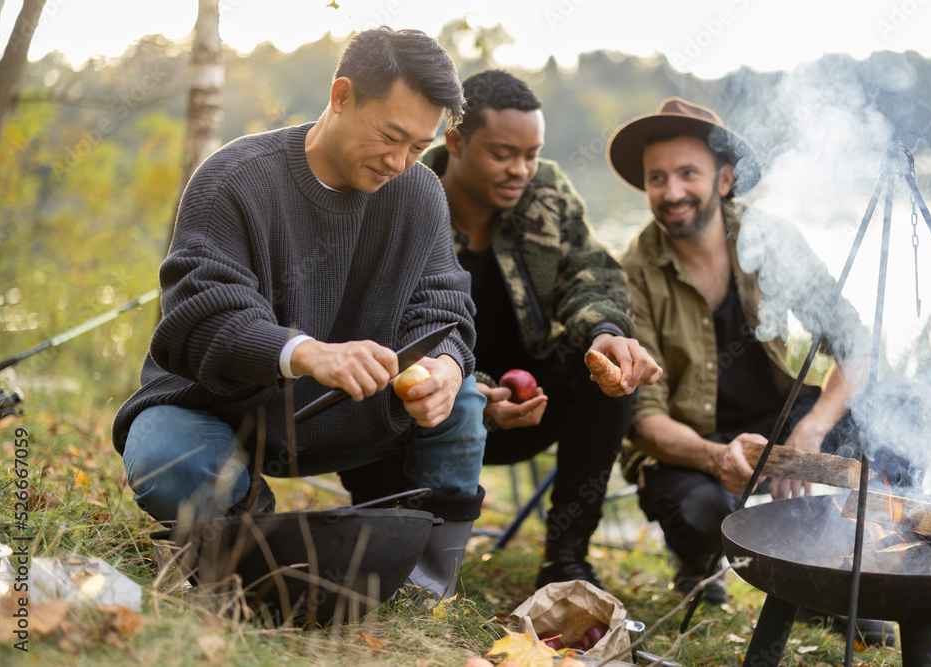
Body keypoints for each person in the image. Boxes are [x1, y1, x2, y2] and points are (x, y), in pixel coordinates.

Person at [111, 27, 488, 599]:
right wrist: (306, 353)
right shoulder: (235, 179)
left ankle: (419, 585)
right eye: (391, 136)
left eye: (418, 146)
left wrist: (446, 365)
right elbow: (196, 318)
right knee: (166, 454)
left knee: (460, 399)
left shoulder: (419, 192)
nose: (400, 160)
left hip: (360, 416)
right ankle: (259, 546)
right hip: (225, 412)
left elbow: (446, 305)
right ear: (341, 95)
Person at [608, 98, 916, 645]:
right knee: (702, 512)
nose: (672, 192)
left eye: (687, 174)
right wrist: (717, 457)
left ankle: (830, 578)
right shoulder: (632, 270)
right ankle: (696, 566)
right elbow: (644, 420)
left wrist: (811, 431)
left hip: (782, 417)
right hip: (692, 439)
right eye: (658, 178)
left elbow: (855, 342)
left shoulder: (769, 238)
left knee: (895, 436)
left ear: (725, 179)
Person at [423, 69, 663, 589]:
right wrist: (473, 390)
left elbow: (591, 270)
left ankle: (567, 559)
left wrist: (604, 330)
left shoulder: (547, 190)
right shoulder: (408, 201)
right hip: (436, 405)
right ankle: (411, 548)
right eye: (503, 154)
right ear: (456, 140)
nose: (521, 170)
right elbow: (392, 328)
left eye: (531, 154)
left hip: (532, 405)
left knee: (603, 371)